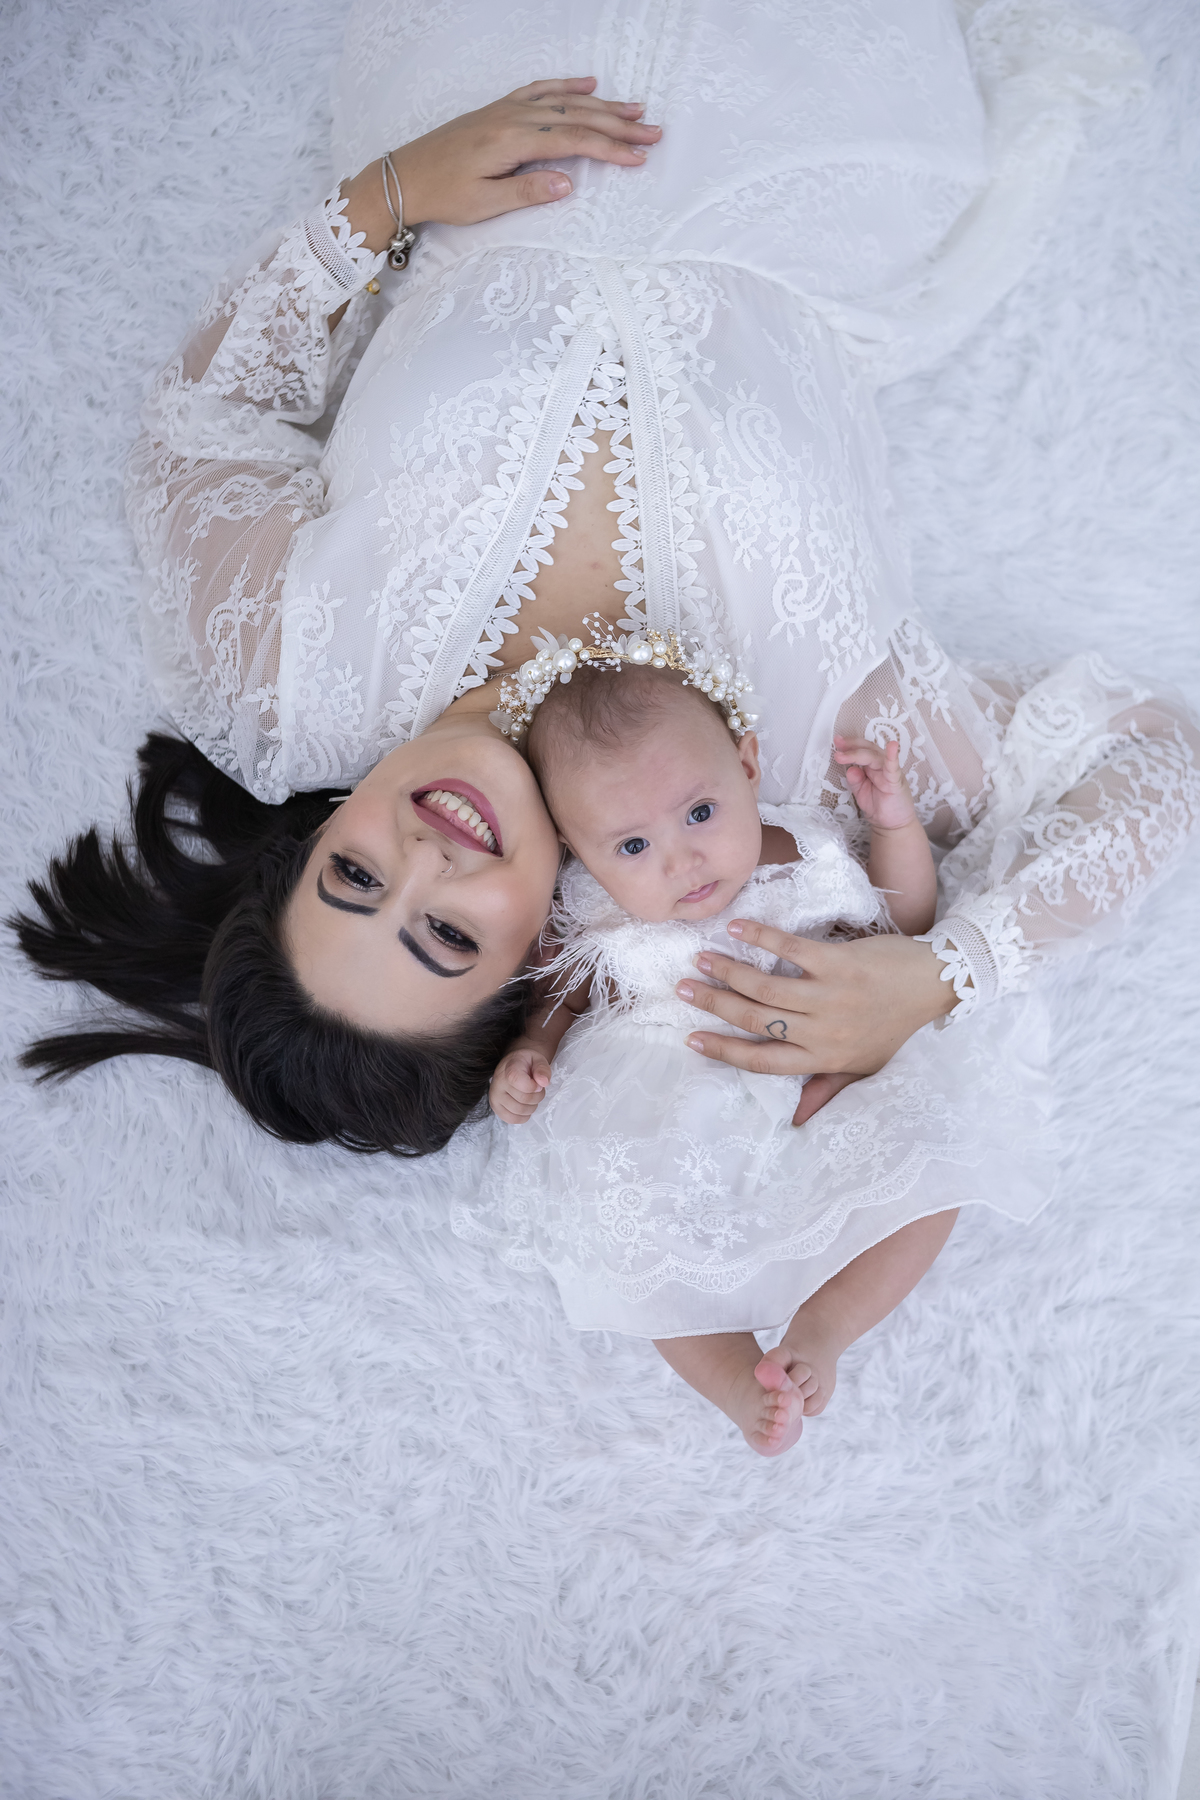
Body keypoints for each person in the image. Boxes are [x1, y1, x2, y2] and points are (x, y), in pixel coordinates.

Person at [13, 0, 1198, 1154]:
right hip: (820, 119)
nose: (426, 857)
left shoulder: (288, 676)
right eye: (443, 936)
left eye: (355, 876)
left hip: (490, 65)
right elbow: (1147, 755)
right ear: (537, 956)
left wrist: (381, 201)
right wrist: (949, 974)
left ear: (315, 842)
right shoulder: (788, 766)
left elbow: (204, 424)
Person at [467, 629, 1052, 1454]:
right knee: (635, 1234)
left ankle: (825, 1328)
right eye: (632, 846)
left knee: (933, 1159)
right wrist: (532, 1050)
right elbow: (562, 998)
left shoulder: (810, 850)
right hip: (679, 1095)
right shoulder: (593, 909)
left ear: (746, 765)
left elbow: (904, 927)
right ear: (580, 851)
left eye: (700, 812)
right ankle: (735, 1378)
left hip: (831, 1078)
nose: (682, 858)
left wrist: (895, 826)